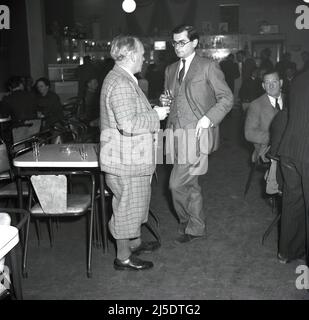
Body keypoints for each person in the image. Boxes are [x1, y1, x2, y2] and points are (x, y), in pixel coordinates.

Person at [100, 35, 170, 271]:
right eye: (141, 53)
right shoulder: (121, 82)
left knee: (135, 204)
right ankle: (123, 257)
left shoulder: (123, 78)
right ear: (130, 55)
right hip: (126, 161)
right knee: (126, 209)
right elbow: (128, 124)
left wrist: (152, 108)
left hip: (129, 158)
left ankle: (135, 243)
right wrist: (155, 116)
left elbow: (129, 112)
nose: (144, 57)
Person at [160, 25, 233, 244]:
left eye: (182, 42)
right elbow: (173, 99)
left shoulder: (208, 66)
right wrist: (165, 102)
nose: (177, 47)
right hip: (174, 134)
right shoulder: (170, 69)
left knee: (175, 184)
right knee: (190, 185)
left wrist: (208, 118)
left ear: (194, 42)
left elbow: (227, 98)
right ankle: (196, 226)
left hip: (197, 136)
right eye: (175, 42)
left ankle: (185, 220)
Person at [271, 69, 309, 265]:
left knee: (293, 201)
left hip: (289, 150)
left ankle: (287, 252)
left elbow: (287, 114)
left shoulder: (299, 78)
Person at [244, 69, 284, 163]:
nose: (271, 86)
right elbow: (249, 134)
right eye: (267, 83)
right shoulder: (256, 105)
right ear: (263, 86)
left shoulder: (291, 100)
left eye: (274, 81)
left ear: (281, 82)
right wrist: (275, 138)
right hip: (267, 150)